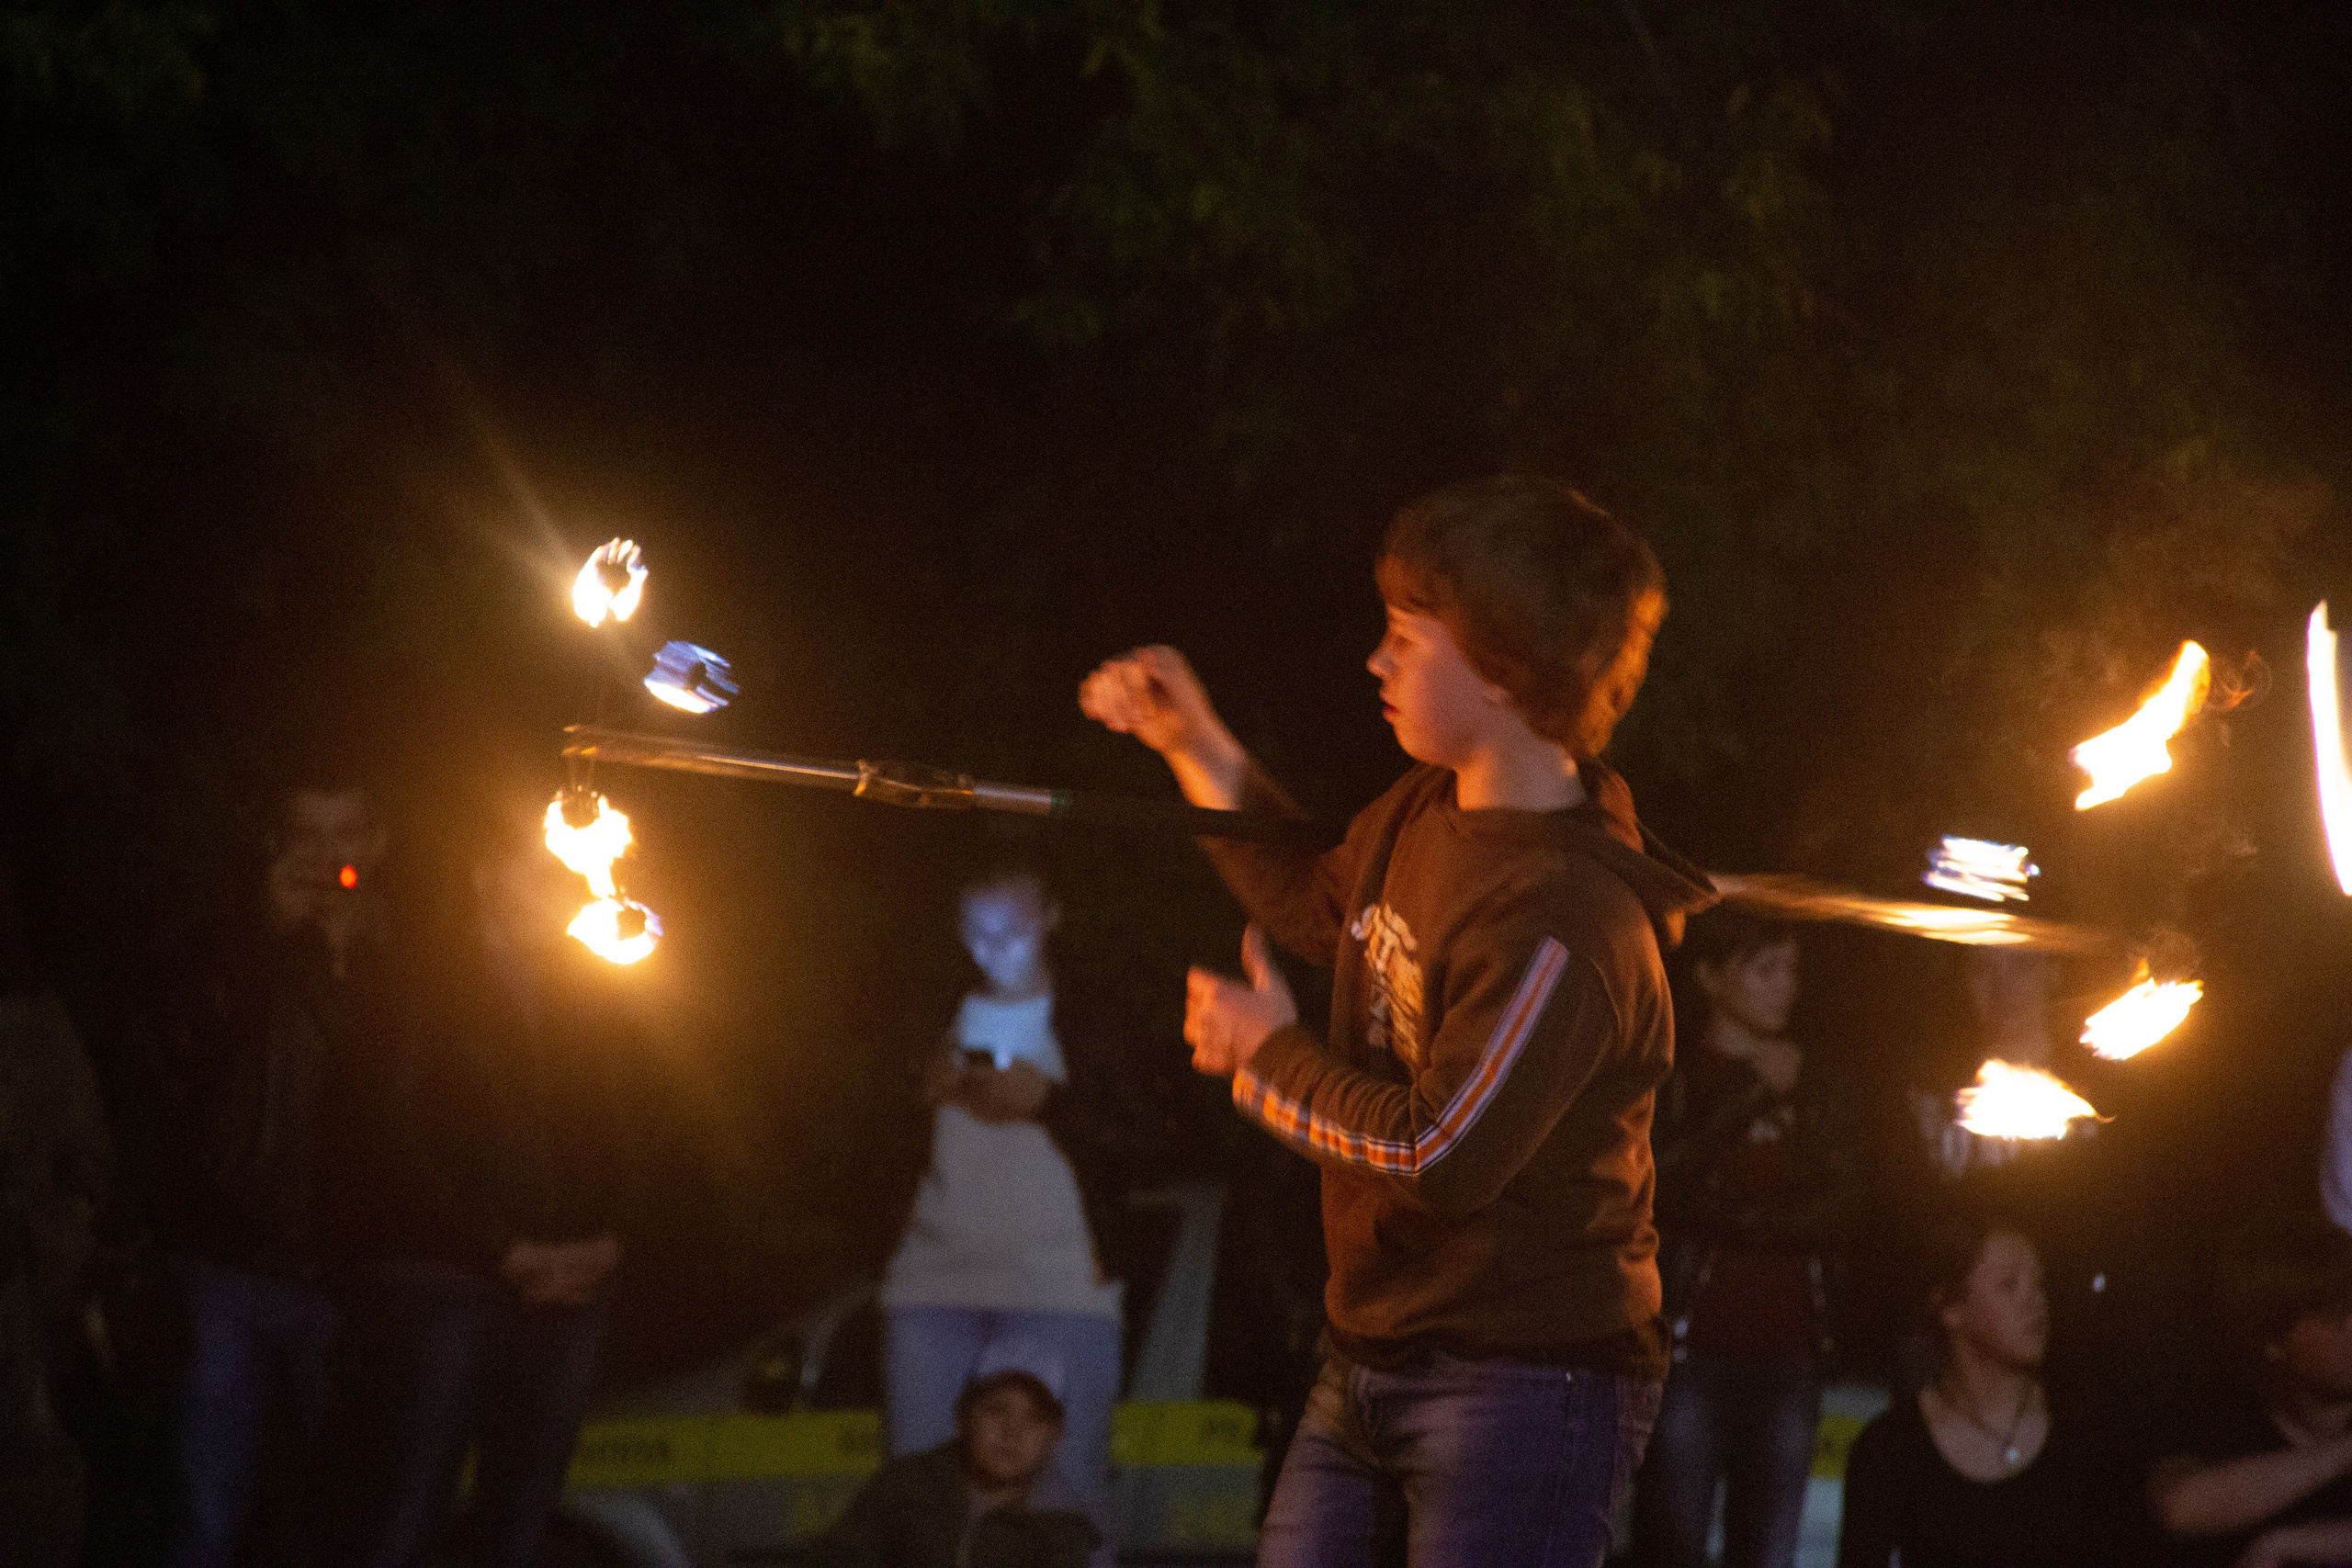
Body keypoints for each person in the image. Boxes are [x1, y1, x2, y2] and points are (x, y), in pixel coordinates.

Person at [1080, 474, 1714, 1567]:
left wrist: (1264, 1058)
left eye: (1409, 641)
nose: (1377, 660)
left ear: (1506, 676)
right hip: (1372, 1346)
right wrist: (1191, 743)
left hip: (1528, 1376)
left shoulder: (1565, 923)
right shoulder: (1426, 811)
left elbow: (1438, 1153)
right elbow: (1317, 901)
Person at [314, 803, 644, 1568]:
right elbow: (392, 1136)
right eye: (546, 873)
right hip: (442, 1282)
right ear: (486, 877)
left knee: (523, 1514)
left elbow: (635, 1123)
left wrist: (609, 1239)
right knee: (408, 1503)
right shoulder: (416, 980)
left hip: (567, 1288)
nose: (566, 890)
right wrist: (500, 1249)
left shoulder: (591, 988)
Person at [876, 863, 1171, 1562]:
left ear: (1049, 916)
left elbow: (1157, 1134)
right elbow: (851, 1135)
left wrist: (1050, 1102)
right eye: (975, 931)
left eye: (1010, 929)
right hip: (930, 1284)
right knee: (922, 1496)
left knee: (1067, 1495)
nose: (992, 947)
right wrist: (919, 1092)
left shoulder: (1091, 1015)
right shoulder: (929, 1008)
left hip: (1064, 1286)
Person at [163, 773, 401, 1568]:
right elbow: (185, 1067)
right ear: (277, 844)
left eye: (346, 834)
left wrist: (346, 961)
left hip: (345, 1273)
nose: (327, 857)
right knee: (205, 1505)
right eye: (307, 835)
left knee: (339, 1508)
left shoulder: (409, 958)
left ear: (378, 843)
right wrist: (268, 937)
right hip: (226, 1262)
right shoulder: (230, 940)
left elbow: (401, 1102)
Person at [1634, 910, 1848, 1568]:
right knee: (1670, 1544)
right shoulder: (1675, 1071)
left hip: (1789, 1356)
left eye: (1792, 969)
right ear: (1712, 978)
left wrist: (1733, 1217)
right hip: (1690, 1353)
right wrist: (1754, 1090)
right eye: (1765, 969)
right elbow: (1661, 1182)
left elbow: (1842, 1203)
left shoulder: (1816, 1077)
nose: (1785, 986)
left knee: (1766, 1552)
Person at [1837, 1217, 2116, 1568]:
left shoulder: (2086, 1430)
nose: (2035, 1301)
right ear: (1952, 1309)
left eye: (2039, 1283)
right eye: (2009, 1284)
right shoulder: (1889, 1452)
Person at [2147, 1224, 2352, 1568]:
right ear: (2273, 1338)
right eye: (2337, 1316)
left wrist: (2290, 1545)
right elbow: (2180, 1507)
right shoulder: (2220, 1412)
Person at [809, 1352, 1099, 1568]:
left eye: (1035, 1418)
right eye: (996, 1410)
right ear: (962, 1417)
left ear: (1054, 1436)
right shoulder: (907, 1487)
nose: (1013, 1431)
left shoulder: (1061, 1527)